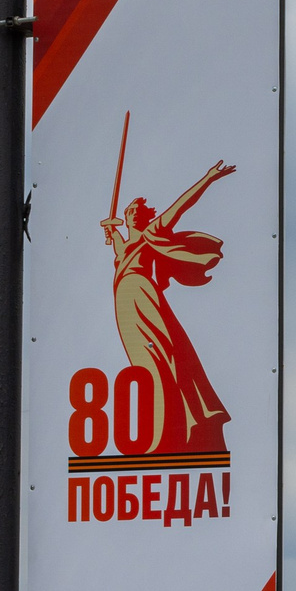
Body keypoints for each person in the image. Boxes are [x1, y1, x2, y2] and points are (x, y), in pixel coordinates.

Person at [103, 160, 236, 457]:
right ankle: (160, 424)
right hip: (125, 303)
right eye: (127, 212)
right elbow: (120, 250)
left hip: (142, 295)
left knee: (165, 355)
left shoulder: (154, 230)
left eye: (133, 211)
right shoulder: (126, 247)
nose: (128, 214)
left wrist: (208, 178)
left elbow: (181, 204)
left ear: (143, 216)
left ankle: (185, 419)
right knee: (143, 361)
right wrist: (112, 234)